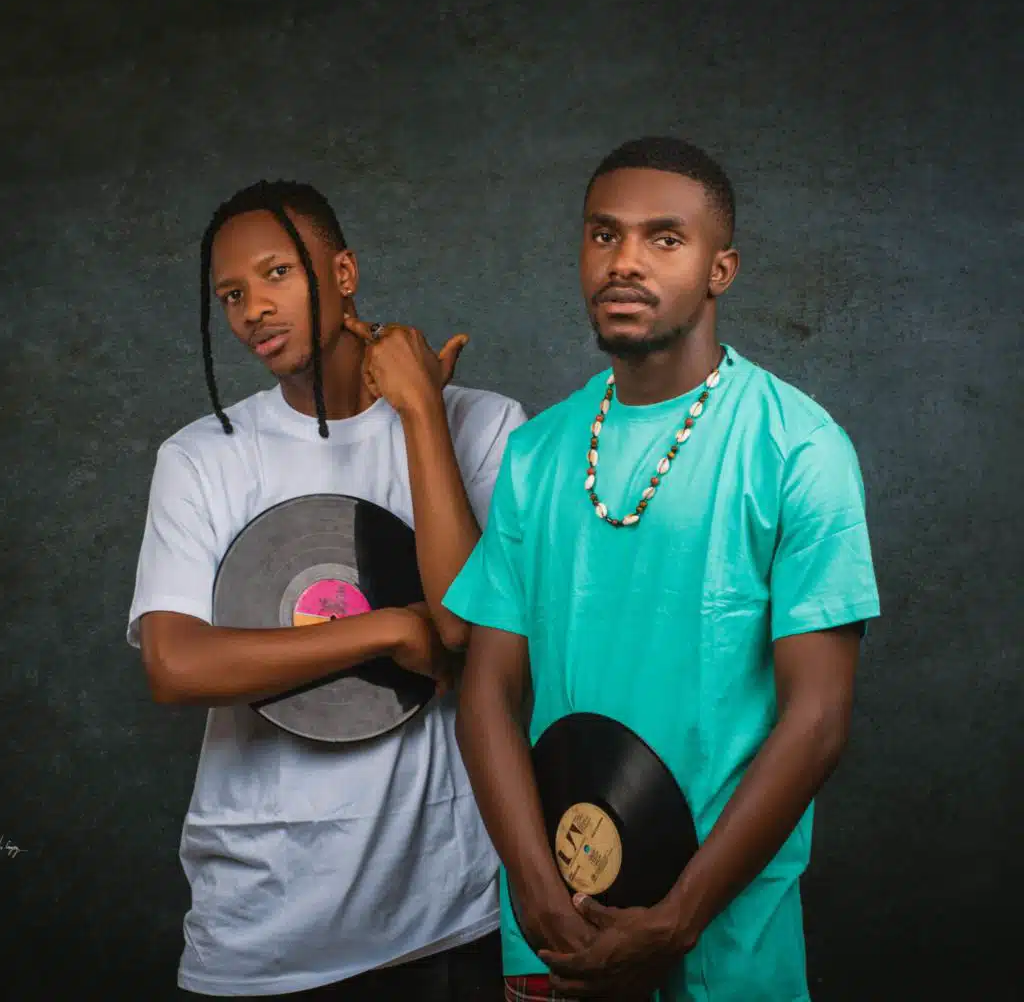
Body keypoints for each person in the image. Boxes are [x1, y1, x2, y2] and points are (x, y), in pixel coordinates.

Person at [444, 137, 882, 1001]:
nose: (625, 261)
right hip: (556, 936)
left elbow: (819, 718)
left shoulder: (799, 448)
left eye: (665, 238)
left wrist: (679, 918)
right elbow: (487, 691)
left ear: (721, 270)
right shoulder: (536, 455)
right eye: (604, 234)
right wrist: (537, 895)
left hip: (722, 946)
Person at [126, 179, 527, 998]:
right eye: (231, 295)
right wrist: (386, 630)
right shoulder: (202, 457)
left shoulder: (483, 427)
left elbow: (461, 628)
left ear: (343, 272)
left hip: (448, 911)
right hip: (265, 925)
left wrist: (421, 414)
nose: (253, 310)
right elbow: (175, 665)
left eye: (277, 273)